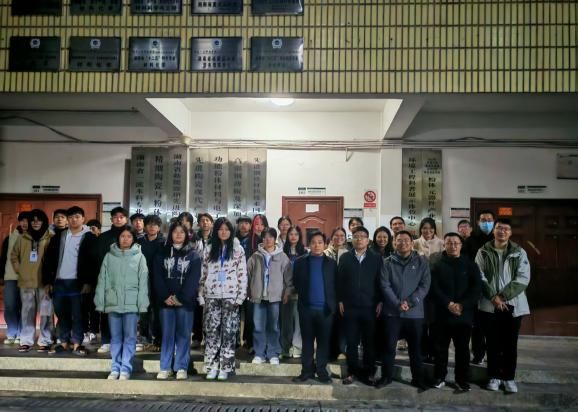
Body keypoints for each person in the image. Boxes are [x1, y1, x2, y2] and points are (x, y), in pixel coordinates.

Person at [476, 218, 531, 394]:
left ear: (510, 233)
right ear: (494, 230)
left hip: (512, 304)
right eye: (499, 228)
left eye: (506, 229)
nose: (502, 231)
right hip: (489, 305)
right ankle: (494, 376)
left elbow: (523, 278)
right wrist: (493, 297)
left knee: (510, 344)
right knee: (492, 343)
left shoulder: (519, 252)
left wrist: (502, 297)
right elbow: (479, 275)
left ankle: (508, 378)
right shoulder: (483, 251)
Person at [94, 226, 149, 380]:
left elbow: (143, 282)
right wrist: (100, 302)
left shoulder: (139, 257)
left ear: (133, 239)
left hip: (132, 303)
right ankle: (115, 368)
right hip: (113, 302)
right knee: (115, 337)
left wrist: (142, 304)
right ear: (118, 238)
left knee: (130, 337)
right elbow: (102, 280)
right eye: (122, 236)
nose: (125, 239)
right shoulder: (109, 256)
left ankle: (125, 368)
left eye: (129, 236)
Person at [379, 230, 430, 390]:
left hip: (414, 314)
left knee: (416, 349)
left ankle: (418, 379)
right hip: (392, 313)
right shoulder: (387, 262)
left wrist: (410, 302)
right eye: (399, 240)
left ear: (412, 242)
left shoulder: (421, 262)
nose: (403, 243)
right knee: (388, 347)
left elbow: (425, 285)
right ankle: (386, 377)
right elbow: (384, 285)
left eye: (406, 240)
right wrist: (397, 303)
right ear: (394, 242)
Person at [42, 206, 97, 356]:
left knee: (78, 314)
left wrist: (88, 282)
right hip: (59, 282)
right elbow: (48, 260)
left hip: (77, 282)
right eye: (71, 217)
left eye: (77, 217)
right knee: (61, 313)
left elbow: (93, 262)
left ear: (83, 219)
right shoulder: (59, 236)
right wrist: (48, 282)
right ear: (67, 220)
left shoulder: (90, 237)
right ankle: (64, 342)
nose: (74, 220)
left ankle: (77, 343)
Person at [430, 233, 481, 391]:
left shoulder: (470, 265)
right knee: (440, 349)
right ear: (444, 245)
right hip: (442, 314)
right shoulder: (437, 265)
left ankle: (461, 379)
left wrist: (462, 305)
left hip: (463, 314)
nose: (452, 246)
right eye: (449, 243)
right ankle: (439, 377)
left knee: (463, 349)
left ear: (461, 245)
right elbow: (434, 288)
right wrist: (448, 304)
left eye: (456, 243)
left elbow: (476, 288)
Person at [198, 217, 247, 381]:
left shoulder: (238, 249)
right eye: (220, 229)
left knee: (228, 332)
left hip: (231, 297)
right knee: (212, 332)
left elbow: (242, 274)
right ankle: (212, 366)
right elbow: (203, 273)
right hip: (211, 296)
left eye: (227, 229)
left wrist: (240, 296)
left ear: (231, 231)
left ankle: (225, 367)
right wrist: (201, 294)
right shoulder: (209, 249)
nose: (224, 232)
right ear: (216, 231)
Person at [154, 222, 201, 380]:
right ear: (170, 234)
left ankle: (181, 367)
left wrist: (181, 298)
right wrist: (165, 296)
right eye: (175, 232)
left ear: (187, 235)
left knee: (183, 335)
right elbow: (157, 277)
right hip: (165, 302)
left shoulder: (193, 255)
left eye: (182, 232)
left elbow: (194, 279)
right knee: (167, 335)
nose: (179, 234)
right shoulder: (162, 253)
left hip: (185, 303)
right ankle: (165, 367)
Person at [337, 226, 383, 386]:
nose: (359, 239)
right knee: (351, 342)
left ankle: (369, 373)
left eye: (362, 236)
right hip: (350, 306)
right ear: (352, 239)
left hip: (370, 306)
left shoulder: (376, 258)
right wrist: (340, 300)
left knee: (369, 342)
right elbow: (339, 281)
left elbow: (381, 281)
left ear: (368, 240)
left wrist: (380, 301)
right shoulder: (345, 258)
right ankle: (352, 372)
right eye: (356, 236)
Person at [291, 231, 337, 384]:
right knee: (307, 342)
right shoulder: (300, 262)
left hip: (325, 310)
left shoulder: (331, 264)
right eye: (313, 242)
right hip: (306, 309)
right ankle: (307, 371)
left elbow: (336, 285)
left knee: (323, 343)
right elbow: (296, 282)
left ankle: (322, 372)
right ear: (309, 244)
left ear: (325, 245)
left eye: (320, 242)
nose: (317, 245)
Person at [10, 209, 54, 353]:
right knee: (27, 312)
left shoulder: (51, 237)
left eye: (38, 220)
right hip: (26, 283)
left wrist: (51, 279)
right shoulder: (22, 238)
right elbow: (14, 256)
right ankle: (26, 340)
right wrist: (20, 271)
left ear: (44, 221)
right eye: (33, 220)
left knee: (46, 313)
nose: (35, 223)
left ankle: (45, 340)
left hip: (44, 283)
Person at [247, 228, 292, 365]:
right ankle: (259, 354)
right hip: (258, 297)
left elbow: (288, 279)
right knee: (258, 327)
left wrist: (287, 292)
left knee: (274, 327)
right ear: (262, 239)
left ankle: (273, 353)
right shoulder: (255, 256)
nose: (268, 240)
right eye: (265, 237)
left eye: (271, 237)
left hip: (275, 297)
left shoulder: (282, 256)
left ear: (275, 239)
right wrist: (249, 291)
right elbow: (248, 275)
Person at [94, 206, 130, 353]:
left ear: (126, 219)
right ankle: (106, 341)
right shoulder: (104, 237)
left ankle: (125, 341)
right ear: (111, 219)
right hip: (109, 280)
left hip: (128, 281)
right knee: (107, 311)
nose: (118, 219)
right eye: (115, 217)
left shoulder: (132, 236)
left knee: (127, 313)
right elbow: (98, 259)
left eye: (121, 217)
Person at [463, 210, 496, 365]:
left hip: (496, 288)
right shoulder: (470, 241)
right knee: (477, 324)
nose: (487, 223)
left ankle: (494, 354)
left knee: (494, 325)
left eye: (489, 220)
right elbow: (466, 263)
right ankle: (478, 354)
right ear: (477, 222)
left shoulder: (498, 239)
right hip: (476, 287)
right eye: (483, 220)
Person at [137, 214, 166, 352]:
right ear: (145, 227)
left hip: (159, 280)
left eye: (155, 225)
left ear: (159, 228)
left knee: (159, 310)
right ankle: (144, 338)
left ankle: (158, 340)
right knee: (144, 310)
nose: (152, 227)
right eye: (149, 224)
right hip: (142, 279)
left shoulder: (164, 243)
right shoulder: (139, 242)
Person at [0, 212, 29, 345]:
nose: (24, 223)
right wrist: (1, 275)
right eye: (22, 220)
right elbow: (3, 258)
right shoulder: (10, 238)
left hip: (28, 279)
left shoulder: (35, 238)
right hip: (11, 277)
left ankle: (22, 334)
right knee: (10, 305)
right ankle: (12, 332)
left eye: (27, 221)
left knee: (25, 307)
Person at [281, 225, 306, 359]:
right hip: (285, 292)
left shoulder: (305, 252)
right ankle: (285, 347)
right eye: (291, 234)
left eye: (296, 234)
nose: (293, 237)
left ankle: (297, 347)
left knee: (298, 322)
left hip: (300, 292)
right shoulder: (281, 252)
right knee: (286, 322)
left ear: (299, 236)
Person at [323, 227, 348, 360]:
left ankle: (342, 350)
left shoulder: (349, 254)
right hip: (328, 293)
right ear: (331, 237)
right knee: (329, 323)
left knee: (342, 324)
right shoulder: (325, 253)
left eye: (342, 236)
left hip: (344, 294)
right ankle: (329, 351)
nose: (339, 238)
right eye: (336, 235)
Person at [235, 215, 253, 350]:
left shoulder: (254, 240)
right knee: (234, 311)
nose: (243, 225)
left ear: (250, 226)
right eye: (241, 223)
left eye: (247, 223)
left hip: (250, 279)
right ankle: (235, 339)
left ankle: (248, 340)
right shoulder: (232, 239)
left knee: (249, 312)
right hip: (233, 279)